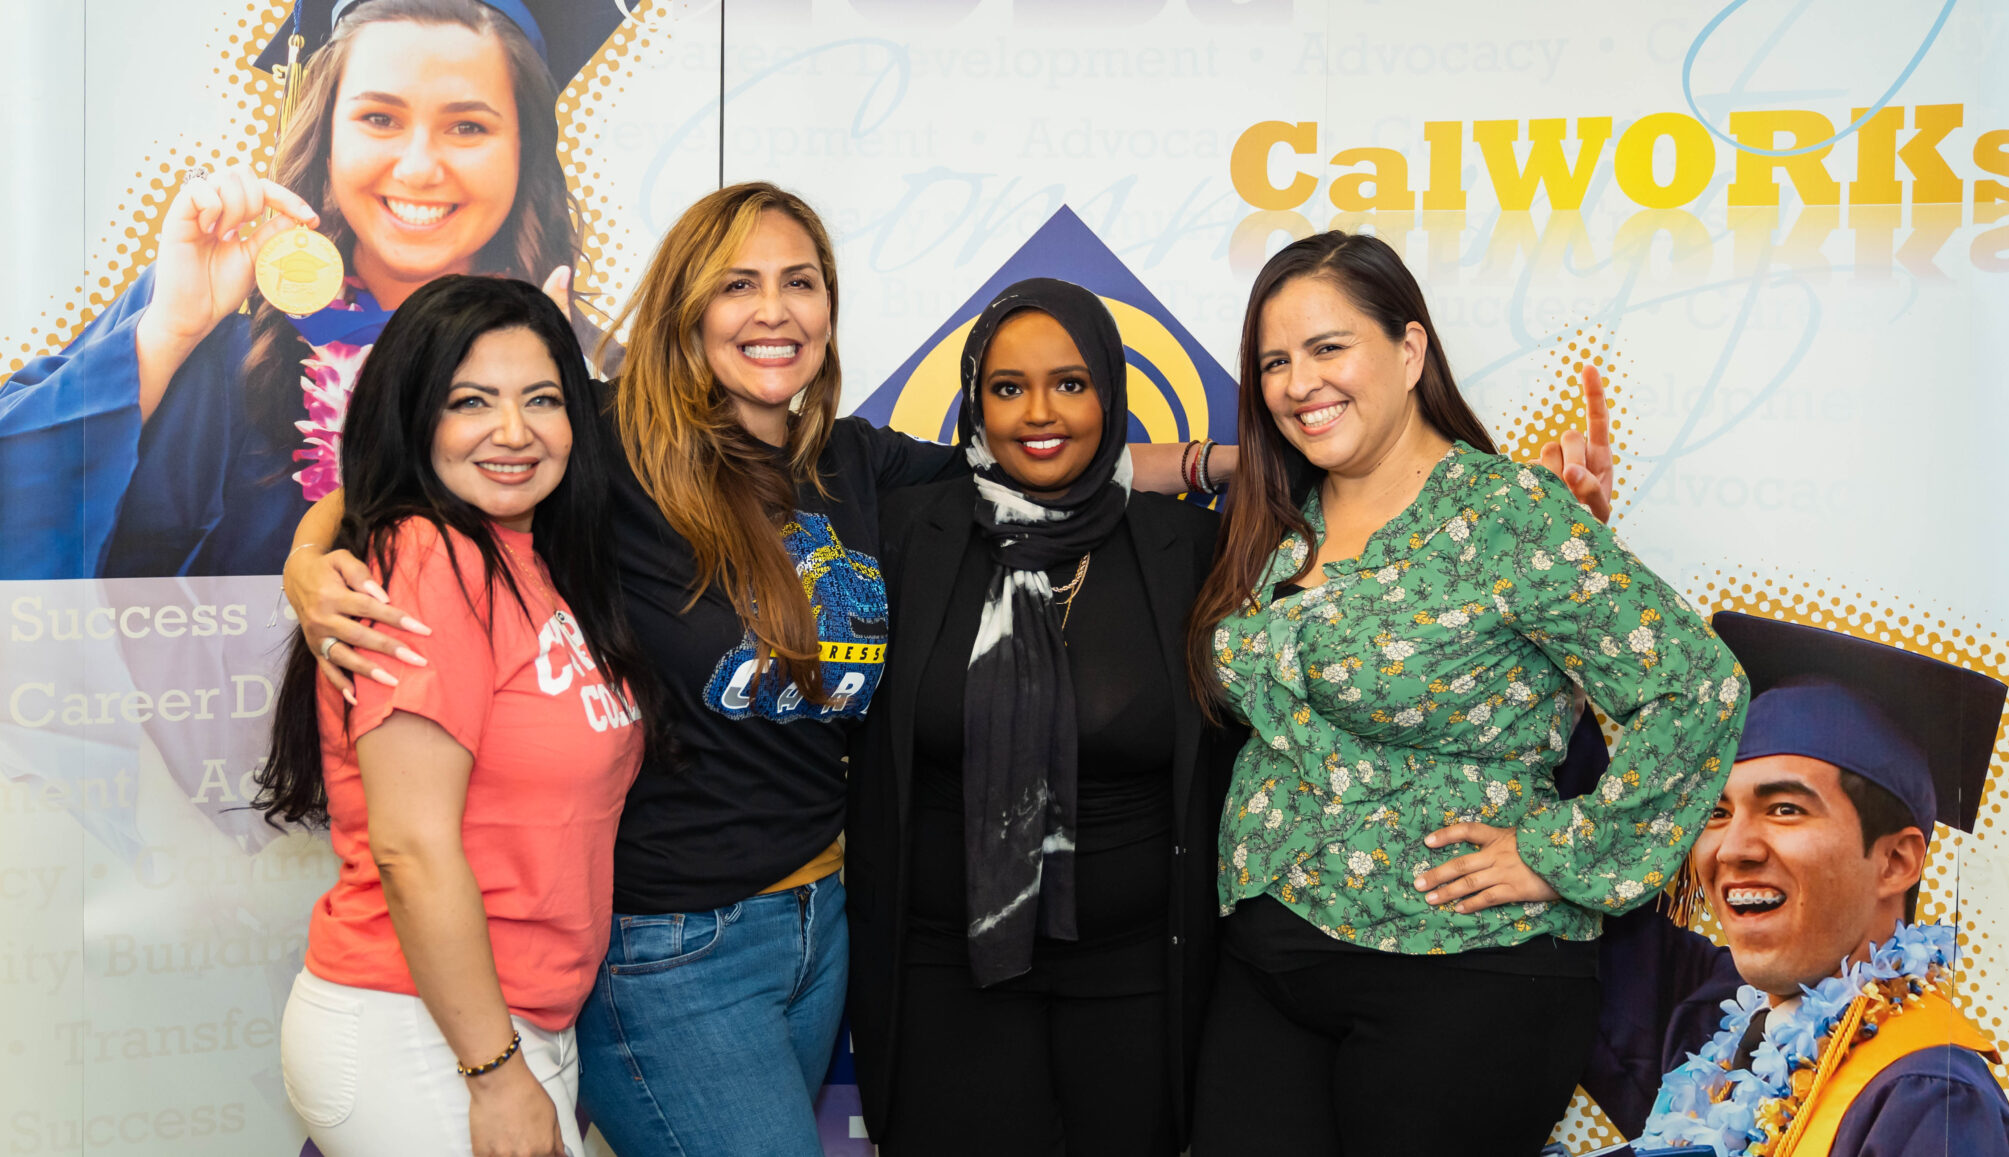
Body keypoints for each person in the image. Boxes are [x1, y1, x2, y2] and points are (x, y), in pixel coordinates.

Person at [277, 182, 1255, 1157]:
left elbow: (1043, 461)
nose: (773, 309)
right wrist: (314, 554)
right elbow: (427, 460)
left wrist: (1217, 463)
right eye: (737, 284)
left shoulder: (858, 465)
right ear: (687, 309)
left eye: (799, 281)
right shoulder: (613, 445)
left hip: (823, 920)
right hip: (669, 948)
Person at [1184, 230, 1748, 1157]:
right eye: (1276, 361)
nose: (1298, 383)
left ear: (1410, 351)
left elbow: (1696, 687)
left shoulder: (1511, 514)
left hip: (1463, 974)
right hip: (1269, 965)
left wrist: (1564, 851)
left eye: (1329, 349)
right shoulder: (1275, 523)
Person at [0, 0, 628, 579]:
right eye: (379, 118)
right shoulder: (209, 322)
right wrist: (167, 335)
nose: (417, 167)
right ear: (326, 136)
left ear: (525, 151)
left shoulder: (590, 369)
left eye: (467, 127)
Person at [842, 279, 1245, 1156]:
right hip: (947, 970)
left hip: (1140, 974)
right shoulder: (908, 533)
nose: (1039, 412)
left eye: (1070, 383)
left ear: (1111, 392)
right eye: (1006, 386)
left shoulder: (1190, 549)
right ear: (975, 403)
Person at [254, 275, 650, 1157]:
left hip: (502, 1019)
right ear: (415, 415)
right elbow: (411, 846)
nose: (514, 431)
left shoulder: (525, 554)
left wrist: (308, 546)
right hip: (431, 1032)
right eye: (470, 401)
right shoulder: (429, 557)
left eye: (541, 398)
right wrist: (496, 1072)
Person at [1579, 613, 2009, 1157]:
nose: (1735, 847)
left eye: (1784, 808)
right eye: (1718, 812)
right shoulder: (1719, 1037)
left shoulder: (1922, 1094)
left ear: (1895, 861)